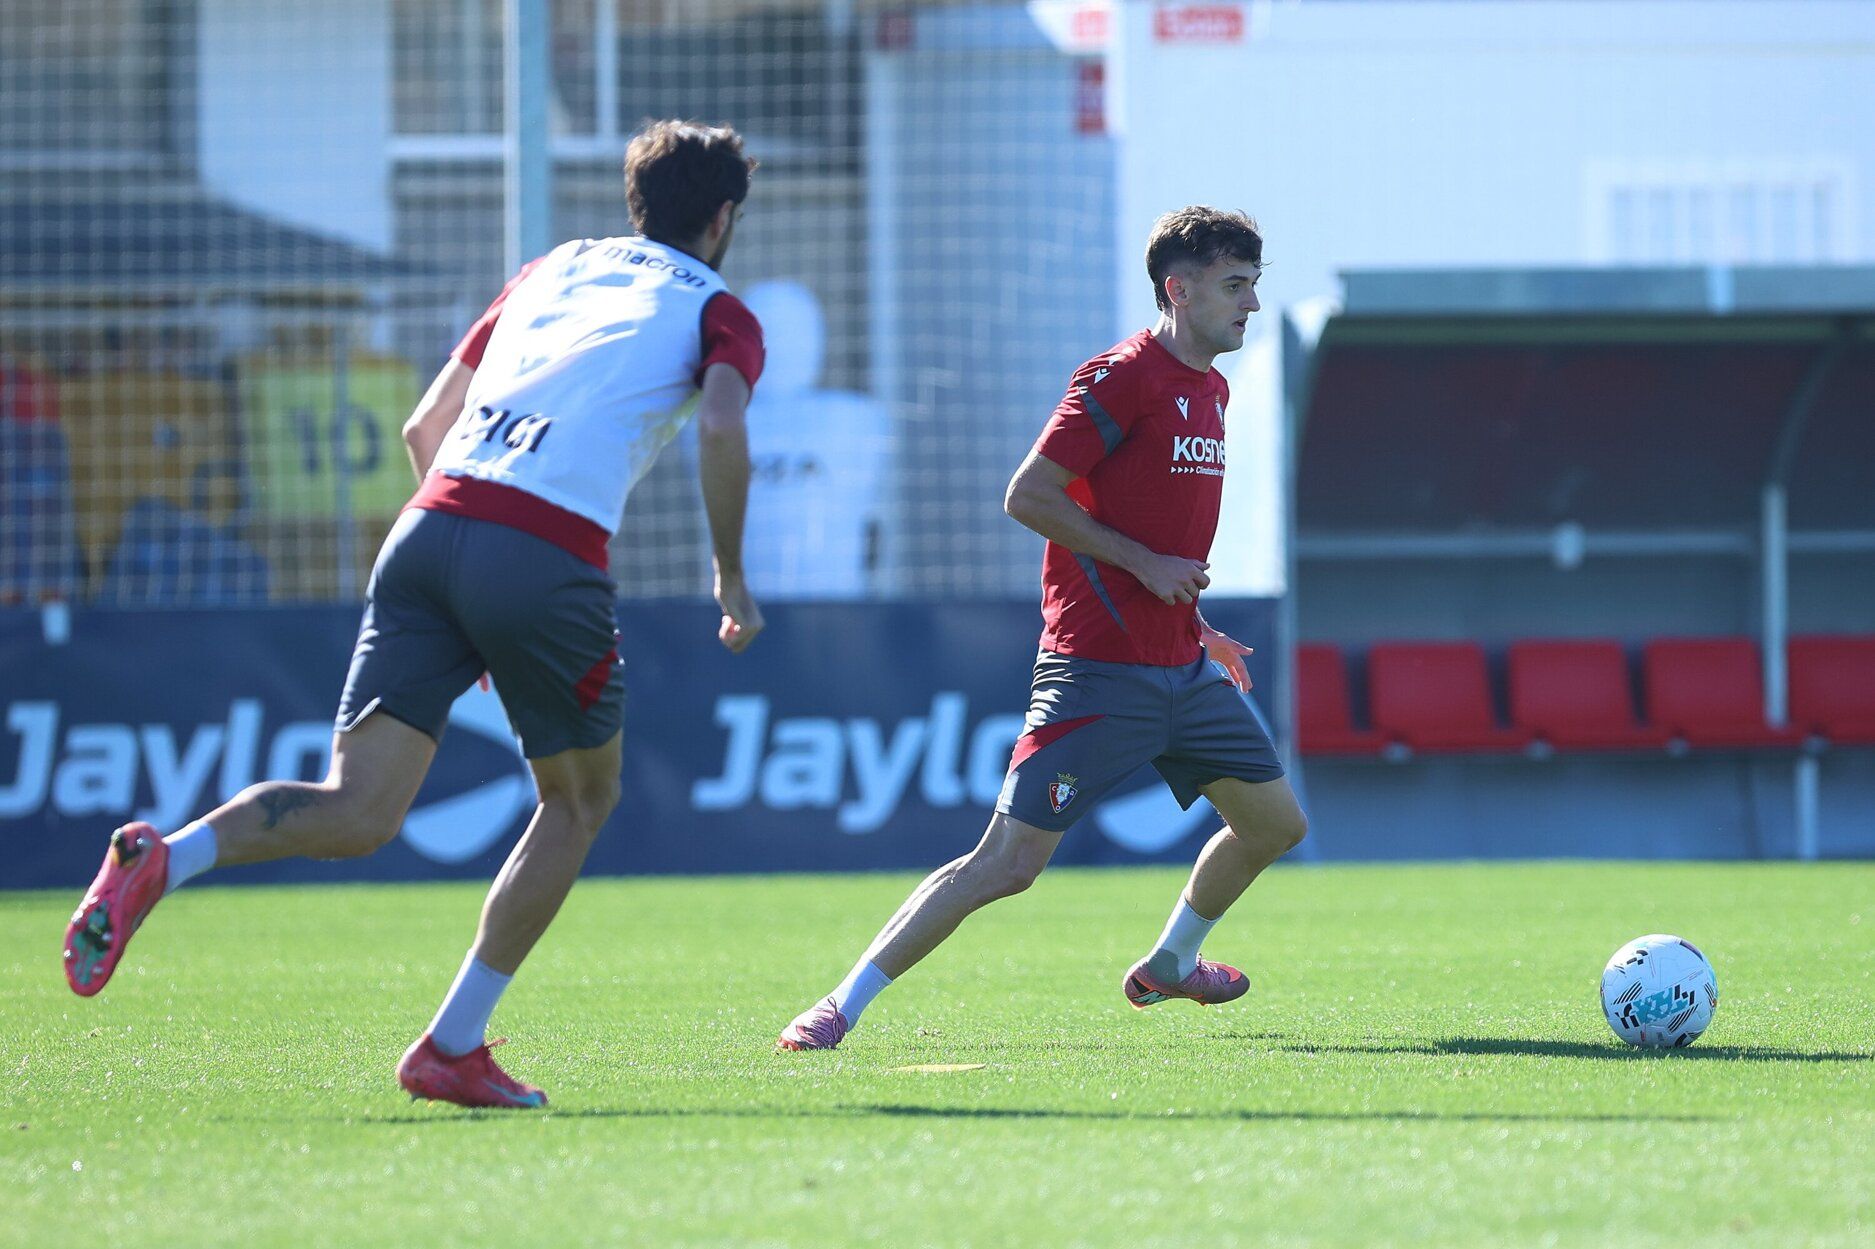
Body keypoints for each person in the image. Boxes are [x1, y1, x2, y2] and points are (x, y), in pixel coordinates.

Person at [62, 120, 768, 1109]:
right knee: (579, 799)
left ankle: (166, 855)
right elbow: (727, 421)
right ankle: (453, 1042)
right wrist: (730, 573)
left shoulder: (550, 270)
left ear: (634, 198)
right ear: (724, 215)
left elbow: (423, 424)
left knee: (357, 809)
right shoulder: (721, 311)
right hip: (543, 549)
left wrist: (463, 588)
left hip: (428, 525)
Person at [777, 206, 1307, 1051]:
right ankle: (838, 1005)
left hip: (1180, 664)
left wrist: (1194, 622)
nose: (1248, 303)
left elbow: (1156, 531)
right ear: (1178, 290)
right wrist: (1145, 567)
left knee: (1276, 824)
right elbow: (1028, 495)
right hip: (1096, 671)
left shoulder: (1211, 387)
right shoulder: (1117, 376)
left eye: (1253, 284)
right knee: (1007, 865)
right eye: (1233, 285)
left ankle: (1171, 963)